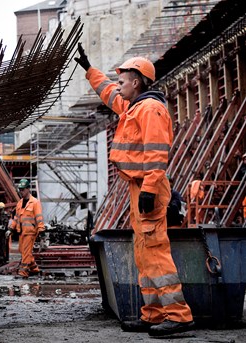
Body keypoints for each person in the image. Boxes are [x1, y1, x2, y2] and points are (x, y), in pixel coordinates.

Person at [75, 44, 194, 336]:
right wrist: (90, 70)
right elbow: (108, 92)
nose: (119, 86)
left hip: (148, 186)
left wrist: (150, 190)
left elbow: (156, 155)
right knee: (143, 253)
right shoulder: (133, 106)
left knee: (155, 251)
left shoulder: (151, 109)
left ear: (137, 82)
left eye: (123, 81)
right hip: (138, 186)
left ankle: (178, 316)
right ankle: (152, 314)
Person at [7, 179, 45, 278]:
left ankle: (23, 272)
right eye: (20, 189)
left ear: (28, 189)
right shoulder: (19, 203)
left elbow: (39, 217)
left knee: (26, 253)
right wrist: (11, 229)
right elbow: (16, 218)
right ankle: (35, 269)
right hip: (22, 232)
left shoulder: (35, 203)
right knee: (22, 251)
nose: (21, 191)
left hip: (31, 232)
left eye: (23, 189)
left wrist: (41, 230)